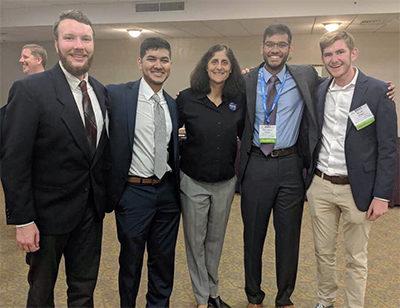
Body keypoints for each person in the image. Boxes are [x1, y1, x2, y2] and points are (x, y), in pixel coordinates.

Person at [1, 9, 110, 308]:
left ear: (93, 43)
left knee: (83, 290)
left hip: (90, 213)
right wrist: (23, 220)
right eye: (70, 37)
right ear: (56, 43)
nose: (79, 45)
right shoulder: (29, 90)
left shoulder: (99, 91)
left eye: (86, 38)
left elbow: (98, 154)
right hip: (46, 218)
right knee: (40, 292)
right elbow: (14, 159)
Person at [307, 30, 397, 308]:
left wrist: (382, 196)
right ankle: (325, 301)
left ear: (353, 53)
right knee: (323, 252)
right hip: (320, 185)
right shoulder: (320, 89)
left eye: (340, 52)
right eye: (328, 54)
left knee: (355, 257)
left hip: (357, 189)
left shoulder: (378, 91)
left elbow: (388, 148)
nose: (334, 59)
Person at [239, 24, 319, 308]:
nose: (275, 50)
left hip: (290, 166)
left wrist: (375, 89)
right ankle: (254, 296)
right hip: (256, 166)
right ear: (262, 46)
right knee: (253, 236)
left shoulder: (306, 75)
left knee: (288, 238)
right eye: (270, 44)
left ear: (290, 48)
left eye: (281, 45)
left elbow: (337, 87)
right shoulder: (246, 80)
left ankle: (284, 298)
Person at [107, 37, 180, 307]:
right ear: (140, 62)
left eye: (164, 60)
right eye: (151, 59)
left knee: (163, 261)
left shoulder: (172, 104)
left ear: (170, 64)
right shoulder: (118, 95)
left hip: (167, 193)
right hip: (133, 193)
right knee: (131, 261)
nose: (158, 65)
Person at [176, 44, 245, 308]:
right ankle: (202, 298)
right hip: (193, 181)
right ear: (206, 66)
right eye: (214, 61)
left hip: (225, 183)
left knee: (215, 241)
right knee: (195, 242)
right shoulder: (187, 98)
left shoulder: (238, 100)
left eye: (225, 63)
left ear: (231, 68)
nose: (219, 67)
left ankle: (213, 292)